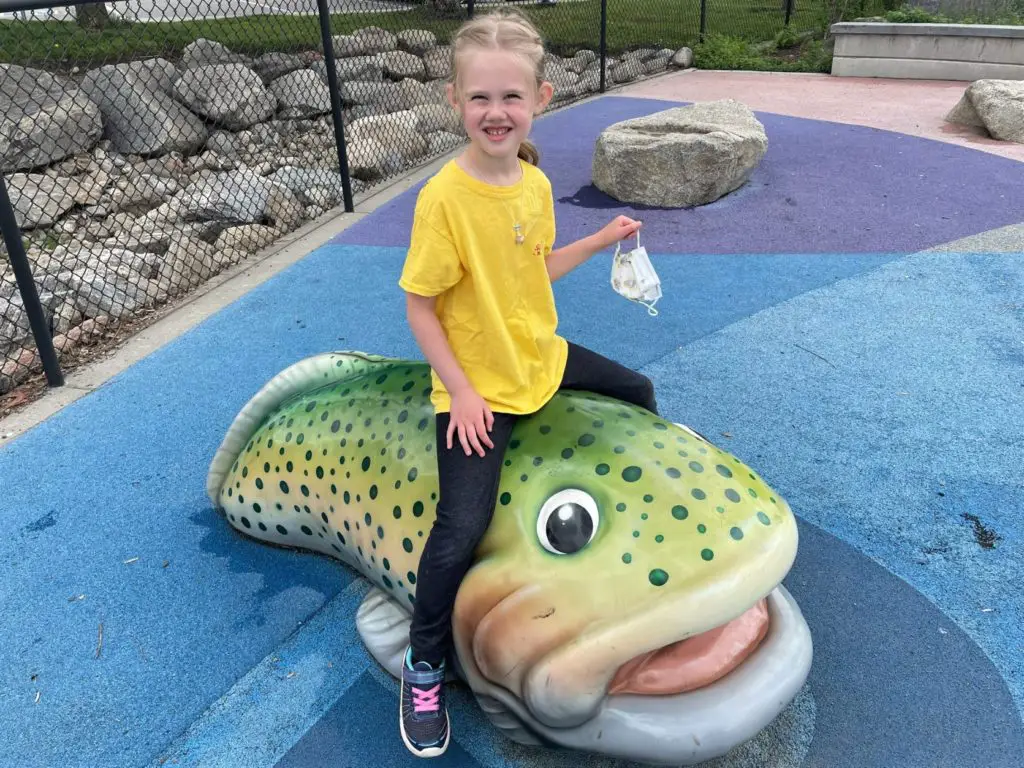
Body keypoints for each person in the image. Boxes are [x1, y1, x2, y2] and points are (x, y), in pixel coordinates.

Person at [396, 8, 659, 758]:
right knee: (460, 530)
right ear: (454, 100)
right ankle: (423, 666)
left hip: (537, 355)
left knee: (637, 390)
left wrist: (602, 238)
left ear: (541, 98)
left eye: (511, 97)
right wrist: (464, 392)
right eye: (479, 98)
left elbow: (535, 270)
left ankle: (635, 534)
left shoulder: (536, 185)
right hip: (478, 382)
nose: (495, 112)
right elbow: (420, 307)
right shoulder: (444, 200)